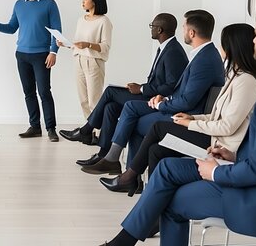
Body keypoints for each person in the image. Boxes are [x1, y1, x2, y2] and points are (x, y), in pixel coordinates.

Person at [100, 5, 256, 246]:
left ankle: (122, 241)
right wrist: (233, 155)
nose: (253, 40)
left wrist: (216, 171)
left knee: (171, 200)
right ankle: (122, 241)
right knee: (166, 167)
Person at [99, 23, 256, 195]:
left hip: (218, 145)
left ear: (232, 47)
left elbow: (226, 126)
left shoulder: (246, 82)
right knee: (156, 150)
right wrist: (193, 119)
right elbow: (216, 116)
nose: (221, 49)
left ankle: (128, 176)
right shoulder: (233, 76)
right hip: (212, 135)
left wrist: (189, 124)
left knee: (155, 127)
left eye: (223, 44)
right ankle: (151, 201)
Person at [82, 10, 225, 175]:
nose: (183, 30)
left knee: (131, 118)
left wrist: (161, 104)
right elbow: (185, 92)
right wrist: (164, 98)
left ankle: (123, 170)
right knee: (127, 109)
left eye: (185, 27)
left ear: (192, 32)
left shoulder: (204, 60)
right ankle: (123, 171)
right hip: (179, 106)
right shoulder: (204, 55)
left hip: (185, 115)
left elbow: (188, 102)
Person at [60, 13, 188, 151]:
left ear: (159, 30)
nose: (151, 29)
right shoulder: (166, 48)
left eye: (152, 26)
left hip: (157, 100)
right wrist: (140, 87)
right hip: (152, 94)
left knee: (110, 91)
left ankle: (86, 130)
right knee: (110, 107)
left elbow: (170, 87)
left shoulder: (173, 51)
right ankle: (104, 154)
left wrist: (141, 89)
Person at [0, 0, 63, 142]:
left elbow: (56, 31)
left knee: (44, 92)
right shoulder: (19, 4)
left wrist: (53, 52)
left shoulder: (50, 4)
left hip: (42, 55)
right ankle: (35, 127)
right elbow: (12, 27)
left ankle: (51, 129)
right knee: (28, 93)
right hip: (22, 55)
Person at [56, 0, 112, 123]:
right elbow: (78, 44)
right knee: (84, 101)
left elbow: (105, 47)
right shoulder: (81, 20)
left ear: (95, 1)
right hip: (78, 60)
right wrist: (66, 44)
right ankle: (89, 130)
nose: (83, 1)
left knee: (95, 101)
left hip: (93, 63)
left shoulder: (104, 21)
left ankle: (98, 133)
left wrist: (88, 45)